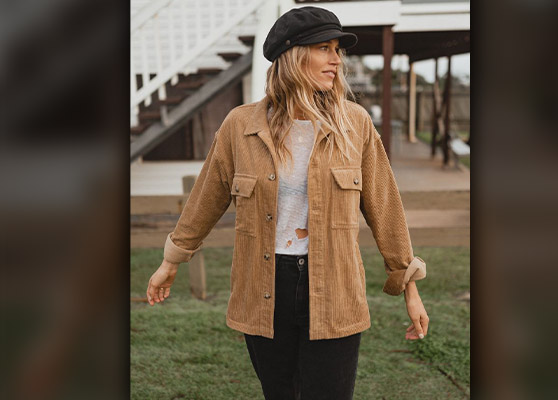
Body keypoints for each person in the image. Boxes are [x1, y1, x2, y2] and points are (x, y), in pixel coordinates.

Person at [146, 6, 429, 400]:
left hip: (336, 287)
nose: (336, 60)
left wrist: (410, 288)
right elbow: (205, 200)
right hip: (264, 287)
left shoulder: (355, 124)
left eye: (337, 49)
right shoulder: (240, 127)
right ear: (294, 56)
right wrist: (171, 261)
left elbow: (385, 207)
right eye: (324, 48)